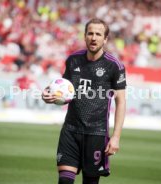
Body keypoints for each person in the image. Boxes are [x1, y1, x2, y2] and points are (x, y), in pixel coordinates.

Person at [42, 18, 126, 184]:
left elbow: (121, 101)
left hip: (96, 134)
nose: (94, 37)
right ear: (85, 36)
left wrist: (116, 137)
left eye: (98, 34)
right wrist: (49, 95)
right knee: (64, 181)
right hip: (70, 131)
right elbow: (64, 90)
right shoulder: (73, 60)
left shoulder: (114, 66)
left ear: (105, 39)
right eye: (90, 33)